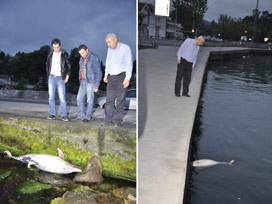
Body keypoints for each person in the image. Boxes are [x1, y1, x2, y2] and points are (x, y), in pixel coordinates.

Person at [103, 33, 133, 127]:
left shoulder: (125, 48)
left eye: (109, 42)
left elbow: (129, 64)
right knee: (109, 99)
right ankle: (108, 119)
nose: (108, 44)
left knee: (120, 100)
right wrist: (106, 74)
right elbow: (107, 62)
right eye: (106, 43)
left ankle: (117, 120)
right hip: (111, 77)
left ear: (115, 39)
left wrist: (127, 78)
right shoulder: (109, 50)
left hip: (122, 77)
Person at [46, 38, 71, 121]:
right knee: (51, 97)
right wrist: (48, 75)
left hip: (61, 78)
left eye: (57, 47)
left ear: (60, 46)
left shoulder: (64, 54)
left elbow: (69, 65)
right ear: (52, 47)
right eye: (54, 47)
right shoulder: (50, 54)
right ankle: (52, 114)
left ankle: (64, 115)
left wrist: (67, 75)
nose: (56, 49)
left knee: (62, 97)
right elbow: (47, 65)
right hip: (52, 77)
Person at [77, 44, 102, 122]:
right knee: (79, 98)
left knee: (89, 100)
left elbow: (98, 72)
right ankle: (81, 115)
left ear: (87, 50)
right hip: (82, 81)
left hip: (91, 82)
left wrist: (96, 85)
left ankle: (87, 117)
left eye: (83, 53)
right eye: (80, 53)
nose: (82, 55)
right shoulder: (81, 59)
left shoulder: (94, 58)